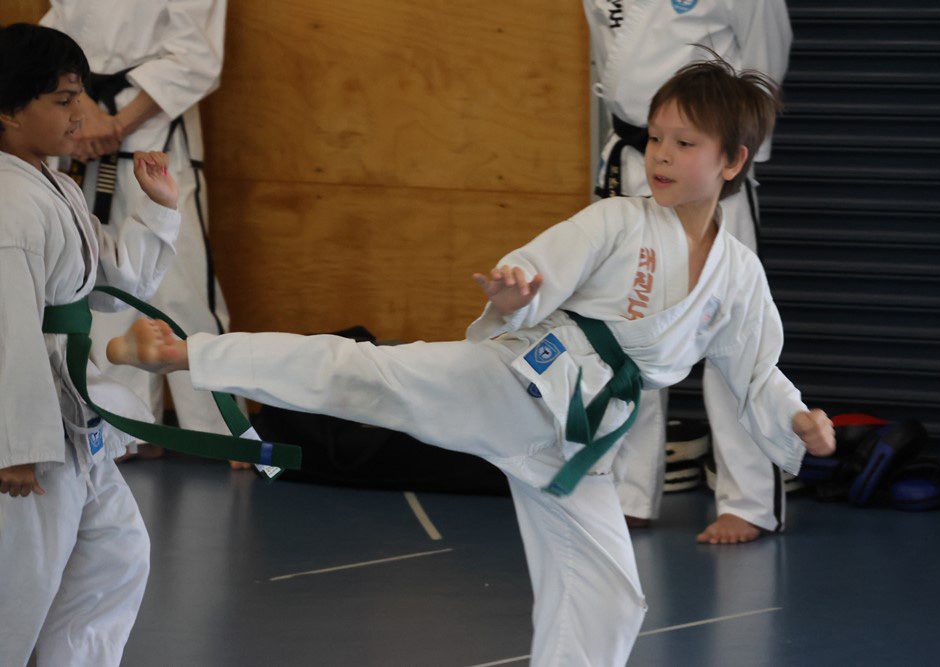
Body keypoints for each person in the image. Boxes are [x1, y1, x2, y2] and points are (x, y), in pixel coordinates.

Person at [108, 58, 835, 666]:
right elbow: (539, 266)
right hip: (519, 385)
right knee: (363, 374)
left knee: (611, 595)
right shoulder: (619, 220)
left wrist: (795, 418)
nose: (663, 156)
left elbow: (756, 369)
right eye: (659, 139)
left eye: (686, 143)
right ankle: (188, 352)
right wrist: (515, 289)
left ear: (733, 160)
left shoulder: (739, 277)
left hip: (579, 446)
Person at [0, 23, 180, 666]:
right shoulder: (7, 204)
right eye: (63, 100)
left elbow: (109, 287)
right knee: (19, 589)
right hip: (31, 432)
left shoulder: (56, 186)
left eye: (80, 97)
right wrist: (13, 447)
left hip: (69, 412)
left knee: (116, 555)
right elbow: (7, 330)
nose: (82, 116)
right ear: (8, 111)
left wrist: (156, 209)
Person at [583, 0, 794, 543]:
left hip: (710, 171)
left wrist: (734, 164)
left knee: (732, 332)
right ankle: (629, 492)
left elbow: (767, 56)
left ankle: (748, 501)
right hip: (636, 159)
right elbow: (609, 60)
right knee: (626, 330)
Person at [38, 0, 243, 466]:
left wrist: (114, 124)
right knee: (100, 279)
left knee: (182, 282)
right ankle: (129, 424)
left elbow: (198, 57)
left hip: (153, 125)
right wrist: (79, 106)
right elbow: (55, 34)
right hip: (79, 125)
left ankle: (217, 426)